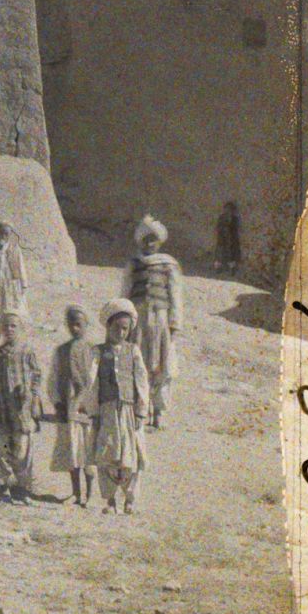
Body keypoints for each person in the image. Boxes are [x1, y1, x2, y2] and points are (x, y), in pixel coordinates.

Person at [81, 298, 151, 514]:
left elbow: (141, 380)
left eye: (125, 329)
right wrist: (93, 410)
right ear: (108, 326)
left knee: (134, 455)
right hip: (108, 411)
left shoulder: (133, 351)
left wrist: (141, 409)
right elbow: (91, 383)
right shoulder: (97, 352)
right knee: (108, 454)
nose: (121, 333)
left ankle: (129, 499)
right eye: (117, 328)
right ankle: (110, 500)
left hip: (129, 411)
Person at [123, 215, 185, 428]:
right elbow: (125, 292)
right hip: (139, 321)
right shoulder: (134, 264)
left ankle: (158, 412)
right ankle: (140, 410)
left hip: (160, 320)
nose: (150, 244)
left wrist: (174, 323)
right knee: (139, 364)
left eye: (153, 240)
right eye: (146, 240)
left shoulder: (168, 264)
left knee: (162, 365)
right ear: (141, 242)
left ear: (159, 242)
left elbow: (175, 294)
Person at [0, 312, 44, 505]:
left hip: (21, 408)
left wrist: (33, 398)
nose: (9, 330)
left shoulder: (26, 352)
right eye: (6, 326)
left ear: (20, 329)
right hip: (0, 407)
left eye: (13, 326)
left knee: (22, 449)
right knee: (1, 446)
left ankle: (22, 488)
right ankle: (3, 487)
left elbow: (36, 375)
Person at [48, 305, 99, 507]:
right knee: (72, 452)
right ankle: (76, 493)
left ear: (86, 325)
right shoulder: (61, 351)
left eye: (79, 325)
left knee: (88, 454)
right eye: (71, 325)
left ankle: (91, 495)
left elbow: (96, 380)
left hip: (88, 410)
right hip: (69, 410)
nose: (75, 329)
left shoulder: (94, 352)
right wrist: (57, 402)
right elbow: (53, 378)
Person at [0, 220, 29, 342]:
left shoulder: (15, 249)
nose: (4, 236)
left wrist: (24, 284)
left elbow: (21, 266)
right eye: (2, 233)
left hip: (11, 284)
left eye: (7, 233)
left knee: (11, 311)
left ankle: (10, 337)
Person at [216, 201, 242, 273]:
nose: (228, 211)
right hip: (223, 238)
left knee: (233, 253)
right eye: (226, 209)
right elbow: (219, 227)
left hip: (232, 239)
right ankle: (219, 267)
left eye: (230, 209)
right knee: (221, 252)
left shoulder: (235, 218)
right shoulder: (222, 217)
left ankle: (232, 268)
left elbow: (236, 229)